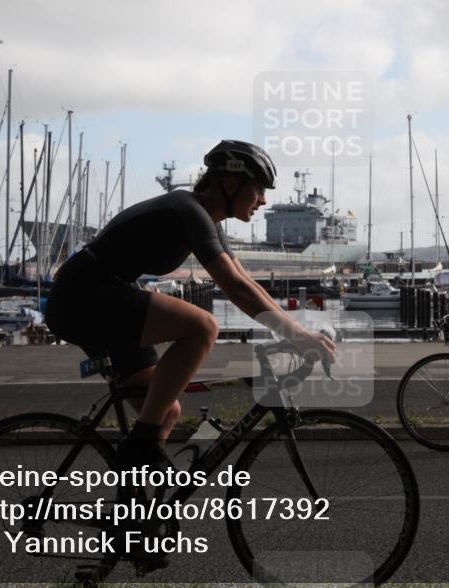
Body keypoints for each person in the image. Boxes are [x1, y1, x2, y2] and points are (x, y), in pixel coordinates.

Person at [45, 140, 336, 469]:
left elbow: (246, 282)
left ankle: (138, 513)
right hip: (83, 295)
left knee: (166, 410)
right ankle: (140, 445)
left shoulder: (205, 219)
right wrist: (298, 337)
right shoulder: (189, 210)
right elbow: (235, 287)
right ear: (229, 183)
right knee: (203, 327)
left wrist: (296, 331)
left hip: (99, 295)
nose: (264, 200)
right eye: (258, 189)